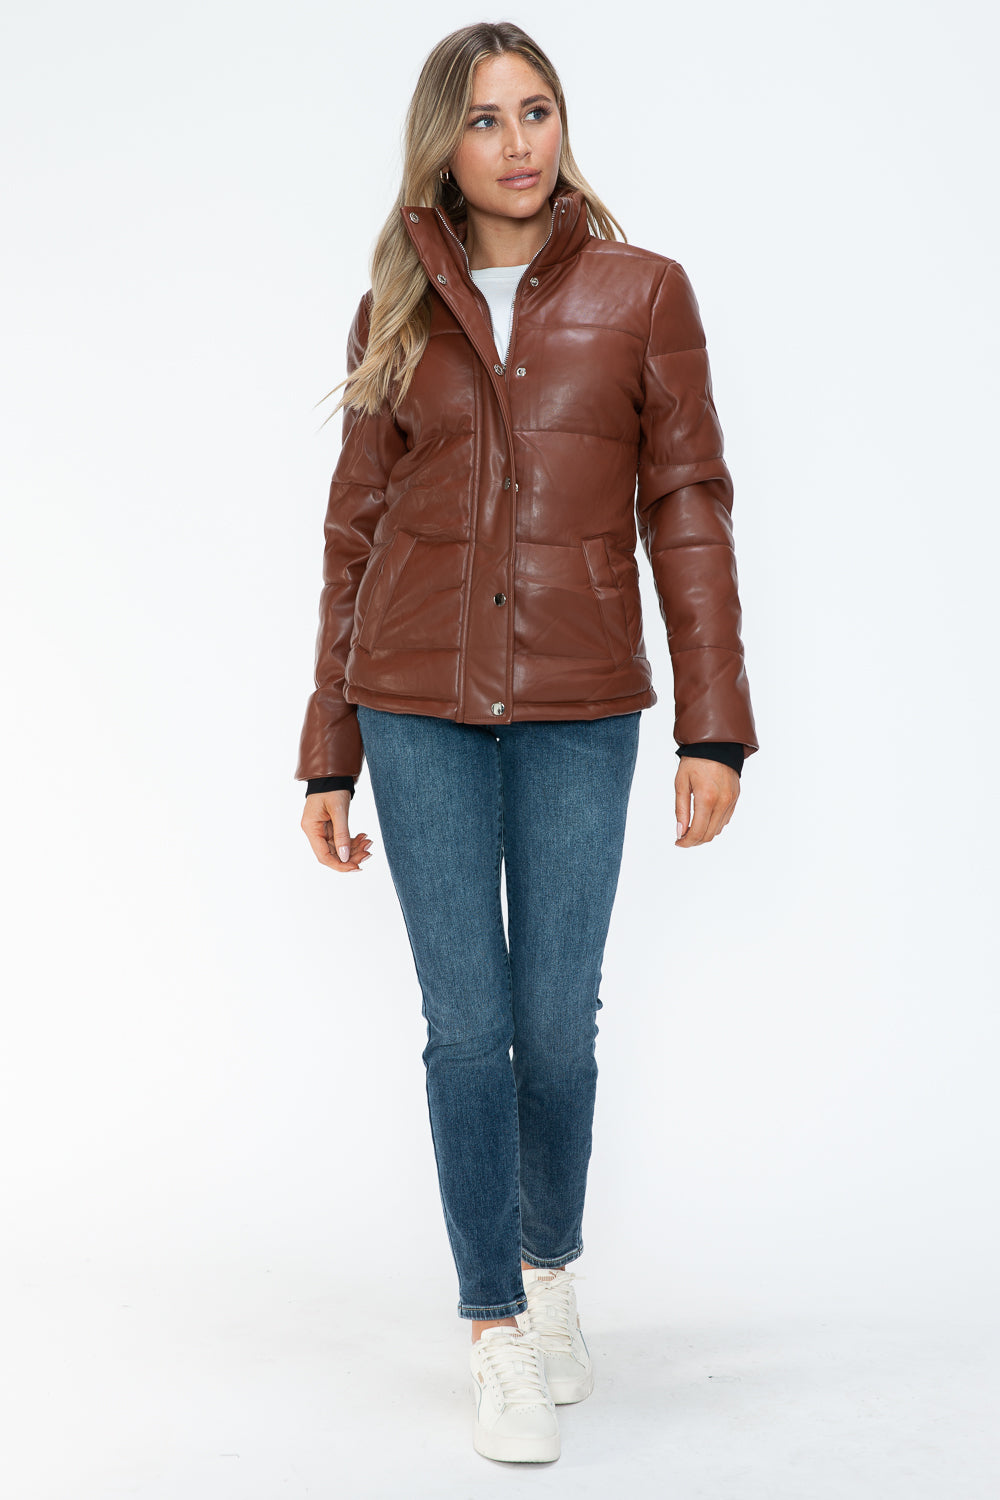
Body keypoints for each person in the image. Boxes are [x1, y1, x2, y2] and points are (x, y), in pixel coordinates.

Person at [295, 20, 758, 1465]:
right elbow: (354, 532)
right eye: (486, 117)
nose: (516, 142)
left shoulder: (643, 293)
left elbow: (689, 506)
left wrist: (715, 724)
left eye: (536, 110)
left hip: (579, 703)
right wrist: (328, 747)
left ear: (564, 126)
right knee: (466, 1026)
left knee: (556, 1021)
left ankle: (550, 1270)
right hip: (412, 703)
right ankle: (492, 1322)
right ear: (443, 143)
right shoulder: (394, 308)